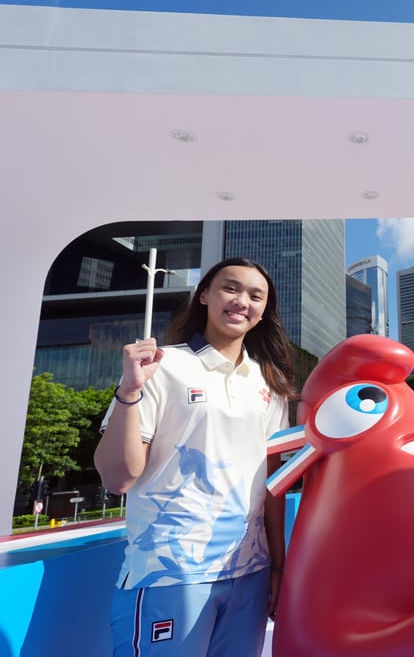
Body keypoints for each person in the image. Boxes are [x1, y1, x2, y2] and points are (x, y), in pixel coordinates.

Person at [95, 257, 295, 656]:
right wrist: (130, 393)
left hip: (249, 574)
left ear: (262, 314)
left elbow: (272, 483)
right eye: (231, 288)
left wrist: (277, 566)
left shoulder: (269, 385)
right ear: (205, 295)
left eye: (256, 296)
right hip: (170, 573)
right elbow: (118, 477)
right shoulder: (161, 367)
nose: (242, 301)